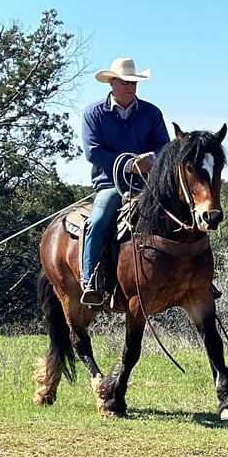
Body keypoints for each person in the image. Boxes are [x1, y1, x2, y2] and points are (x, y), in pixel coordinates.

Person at [80, 57, 170, 306]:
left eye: (133, 82)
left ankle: (199, 278)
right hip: (109, 183)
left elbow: (165, 145)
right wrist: (128, 164)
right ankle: (91, 280)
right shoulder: (94, 114)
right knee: (98, 220)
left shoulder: (151, 113)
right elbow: (93, 151)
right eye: (125, 81)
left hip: (149, 184)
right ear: (112, 82)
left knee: (182, 213)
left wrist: (151, 158)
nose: (131, 86)